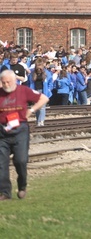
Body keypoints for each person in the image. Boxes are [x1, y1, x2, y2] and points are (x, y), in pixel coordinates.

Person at [0, 69, 49, 200]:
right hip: (2, 132)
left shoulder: (23, 90)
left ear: (15, 80)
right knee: (1, 164)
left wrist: (31, 110)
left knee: (20, 161)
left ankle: (22, 186)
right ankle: (5, 192)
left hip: (19, 130)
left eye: (8, 82)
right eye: (3, 83)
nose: (6, 85)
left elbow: (44, 98)